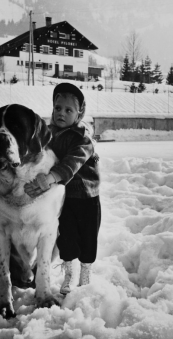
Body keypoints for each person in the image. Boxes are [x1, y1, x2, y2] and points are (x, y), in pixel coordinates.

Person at [24, 82, 101, 295]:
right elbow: (37, 153)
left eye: (68, 110)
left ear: (80, 113)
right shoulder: (48, 134)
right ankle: (69, 274)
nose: (61, 113)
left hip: (86, 196)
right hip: (63, 197)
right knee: (66, 237)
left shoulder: (82, 139)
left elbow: (72, 163)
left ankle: (85, 274)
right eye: (58, 108)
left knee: (87, 237)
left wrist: (50, 178)